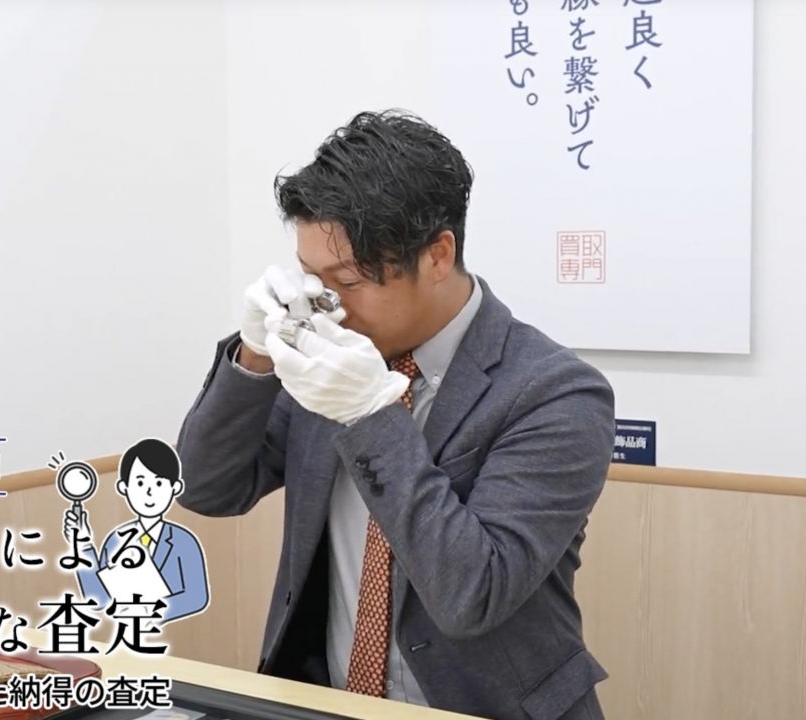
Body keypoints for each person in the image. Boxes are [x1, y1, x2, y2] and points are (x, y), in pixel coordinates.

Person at [175, 110, 615, 720]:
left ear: (437, 255)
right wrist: (254, 355)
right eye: (312, 278)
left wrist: (369, 416)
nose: (329, 305)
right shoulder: (326, 352)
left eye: (349, 280)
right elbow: (205, 488)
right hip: (325, 700)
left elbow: (471, 594)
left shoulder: (555, 391)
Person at [65, 438, 210, 624]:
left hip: (176, 633)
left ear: (176, 487)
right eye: (140, 483)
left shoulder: (184, 541)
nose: (149, 492)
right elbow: (98, 598)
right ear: (124, 487)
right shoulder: (116, 540)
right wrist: (83, 544)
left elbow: (196, 596)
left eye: (159, 484)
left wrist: (151, 610)